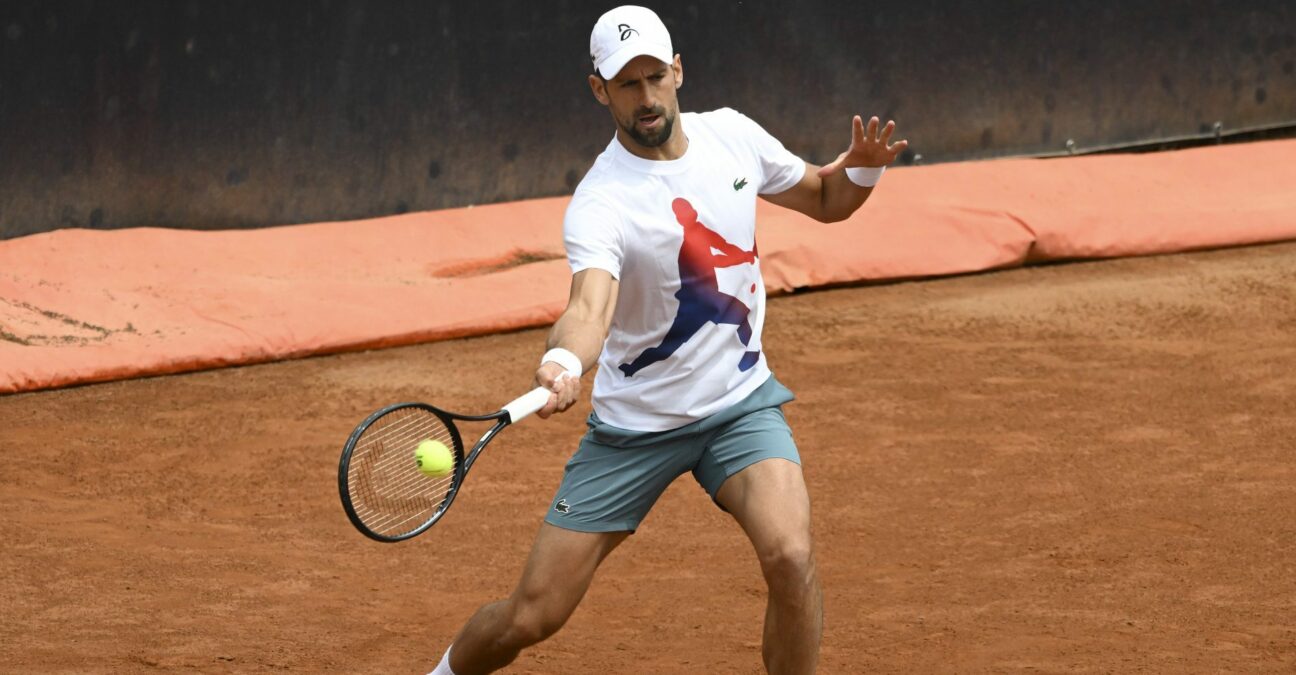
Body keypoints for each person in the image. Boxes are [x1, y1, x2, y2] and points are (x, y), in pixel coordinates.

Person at [429, 6, 907, 674]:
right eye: (628, 84)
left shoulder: (732, 136)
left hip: (738, 406)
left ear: (678, 71)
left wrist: (863, 170)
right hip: (636, 428)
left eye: (656, 76)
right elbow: (589, 306)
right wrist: (564, 360)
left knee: (791, 555)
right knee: (530, 617)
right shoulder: (602, 202)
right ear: (599, 90)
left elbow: (827, 199)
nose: (647, 97)